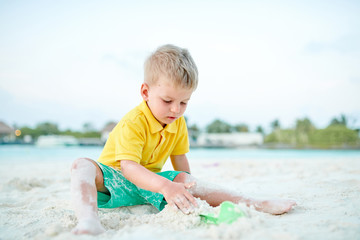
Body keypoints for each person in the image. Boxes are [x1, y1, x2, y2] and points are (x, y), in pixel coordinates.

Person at [70, 44, 296, 235]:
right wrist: (166, 186)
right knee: (82, 164)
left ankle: (255, 202)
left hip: (152, 185)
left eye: (184, 102)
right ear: (146, 92)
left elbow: (180, 163)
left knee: (185, 179)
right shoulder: (134, 121)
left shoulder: (178, 123)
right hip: (114, 182)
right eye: (167, 100)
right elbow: (128, 168)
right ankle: (89, 219)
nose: (176, 109)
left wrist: (186, 186)